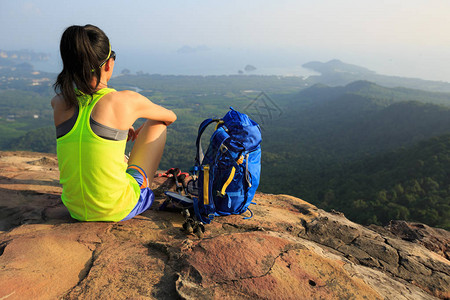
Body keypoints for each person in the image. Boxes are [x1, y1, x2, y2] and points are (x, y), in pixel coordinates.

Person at [51, 24, 176, 222]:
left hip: (74, 208)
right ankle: (138, 185)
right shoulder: (124, 100)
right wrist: (142, 122)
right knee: (158, 123)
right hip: (119, 208)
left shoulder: (58, 102)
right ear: (109, 64)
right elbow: (170, 116)